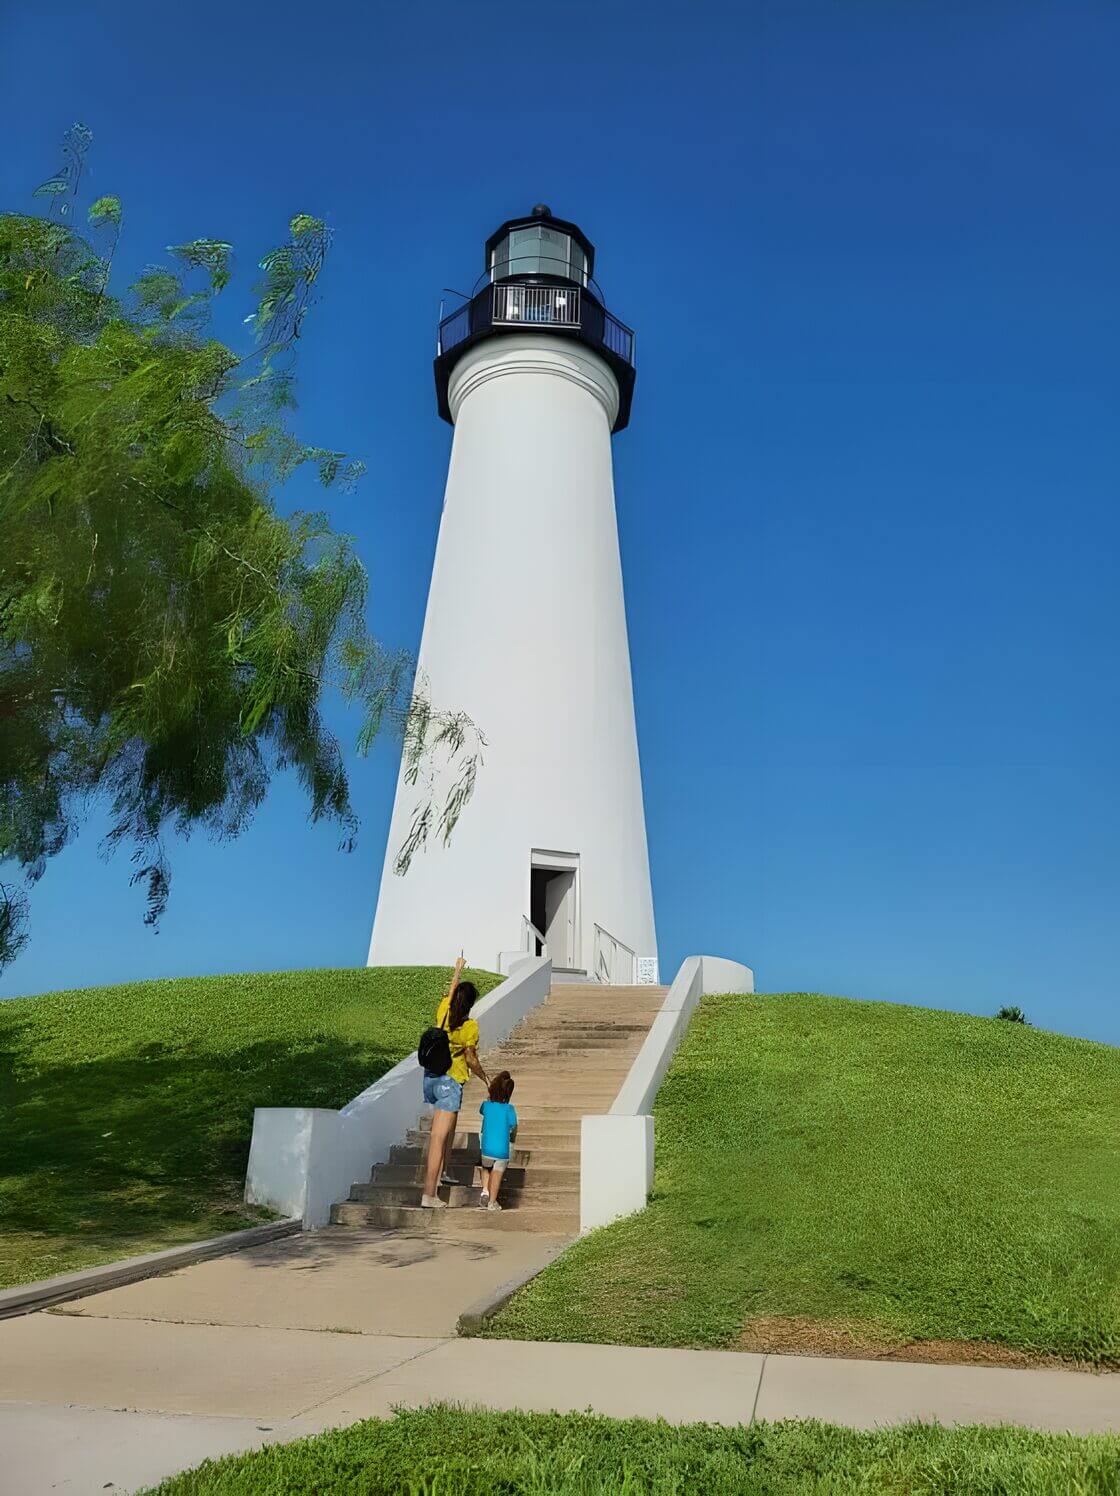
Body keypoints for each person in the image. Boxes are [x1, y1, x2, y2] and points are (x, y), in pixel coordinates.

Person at [421, 956, 489, 1209]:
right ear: (470, 1004)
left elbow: (449, 996)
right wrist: (484, 1076)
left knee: (448, 1130)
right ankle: (429, 1193)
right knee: (438, 1136)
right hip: (451, 1081)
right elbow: (471, 1058)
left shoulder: (443, 1010)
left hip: (432, 1078)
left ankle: (444, 1172)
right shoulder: (469, 1026)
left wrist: (457, 971)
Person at [478, 1070, 517, 1211]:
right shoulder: (509, 1109)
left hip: (486, 1147)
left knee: (486, 1168)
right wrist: (512, 1140)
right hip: (502, 1149)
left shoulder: (486, 1105)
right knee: (497, 1172)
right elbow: (513, 1126)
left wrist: (489, 1096)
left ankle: (485, 1190)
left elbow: (481, 1110)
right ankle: (492, 1202)